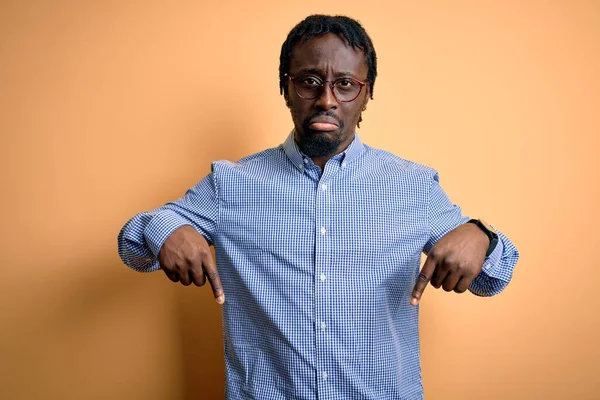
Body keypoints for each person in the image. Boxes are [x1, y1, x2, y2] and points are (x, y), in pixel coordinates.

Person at [117, 14, 519, 400]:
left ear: (367, 93)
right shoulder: (230, 184)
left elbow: (492, 279)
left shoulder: (413, 187)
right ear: (285, 87)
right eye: (310, 81)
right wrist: (166, 228)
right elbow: (133, 247)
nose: (327, 99)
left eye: (345, 84)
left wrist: (480, 234)